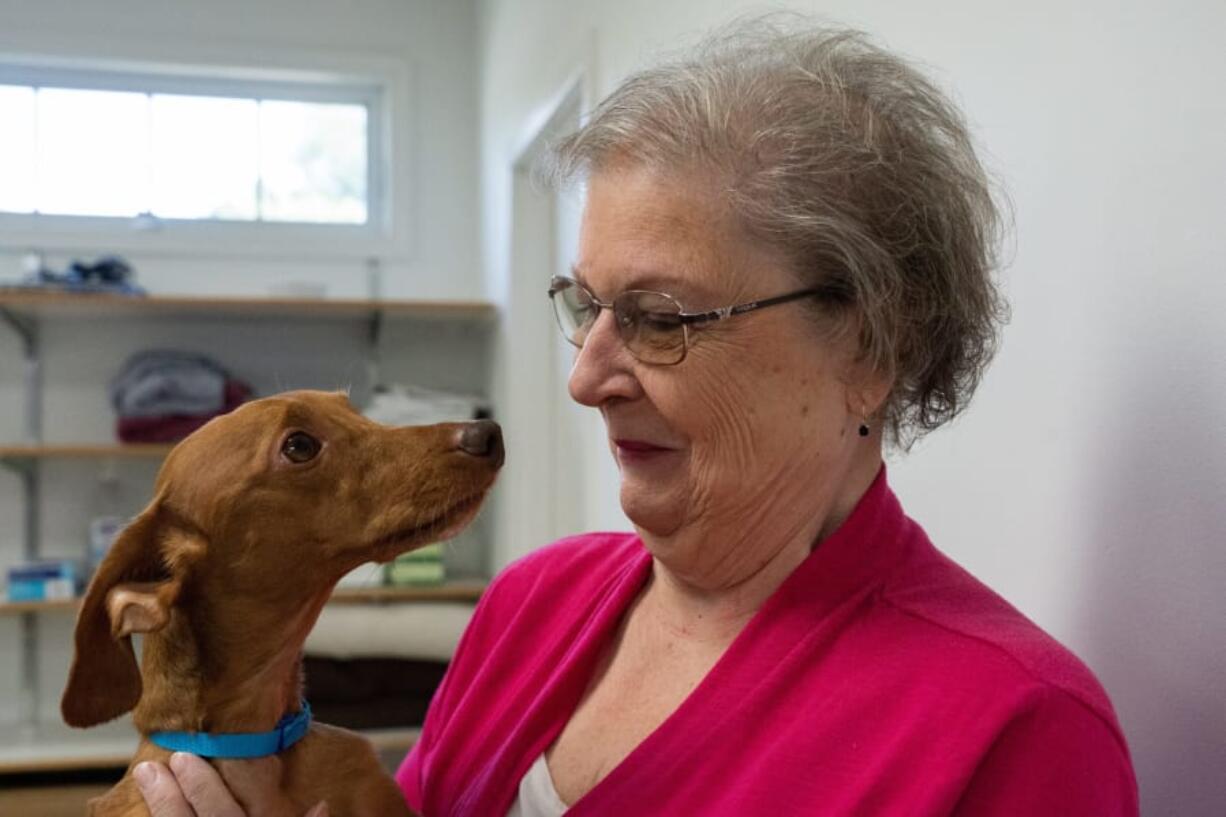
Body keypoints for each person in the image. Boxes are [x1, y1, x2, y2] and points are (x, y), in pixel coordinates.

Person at [137, 19, 1139, 817]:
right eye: (586, 305)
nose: (585, 376)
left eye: (660, 318)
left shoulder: (1011, 733)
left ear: (867, 349)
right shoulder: (533, 604)